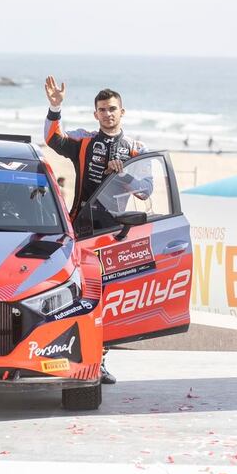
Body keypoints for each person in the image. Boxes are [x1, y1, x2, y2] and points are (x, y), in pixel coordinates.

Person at [43, 76, 150, 385]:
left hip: (116, 232)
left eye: (112, 109)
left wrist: (126, 177)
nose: (108, 114)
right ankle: (73, 357)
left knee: (108, 299)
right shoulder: (85, 140)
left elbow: (146, 190)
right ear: (95, 114)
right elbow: (53, 139)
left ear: (123, 112)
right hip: (82, 229)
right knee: (80, 296)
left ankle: (100, 361)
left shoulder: (135, 149)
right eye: (102, 109)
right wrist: (55, 105)